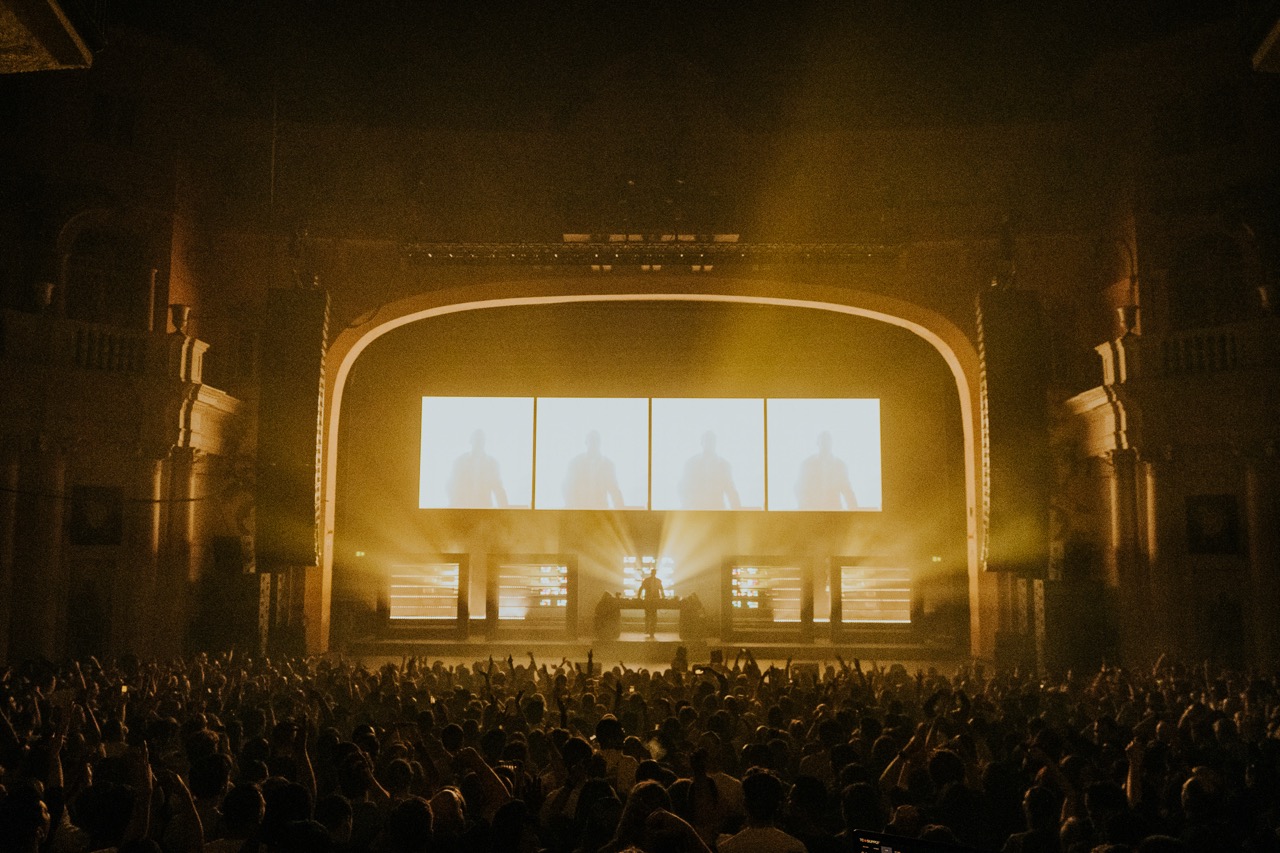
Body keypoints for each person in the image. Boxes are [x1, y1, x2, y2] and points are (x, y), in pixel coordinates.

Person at [794, 431, 858, 510]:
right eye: (823, 442)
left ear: (831, 444)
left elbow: (847, 491)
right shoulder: (807, 464)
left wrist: (854, 511)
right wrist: (806, 509)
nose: (825, 445)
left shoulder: (839, 466)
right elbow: (800, 490)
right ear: (817, 443)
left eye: (828, 442)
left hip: (833, 513)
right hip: (812, 513)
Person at [562, 430, 626, 509]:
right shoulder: (575, 463)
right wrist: (571, 510)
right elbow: (567, 488)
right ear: (586, 442)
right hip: (580, 512)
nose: (594, 443)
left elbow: (615, 491)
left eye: (596, 440)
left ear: (600, 443)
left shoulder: (608, 465)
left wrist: (621, 513)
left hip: (601, 513)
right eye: (591, 440)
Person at [678, 431, 741, 510]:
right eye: (707, 440)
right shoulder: (691, 463)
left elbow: (731, 490)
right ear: (701, 442)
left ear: (715, 443)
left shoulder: (724, 465)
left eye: (712, 441)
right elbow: (683, 487)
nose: (709, 443)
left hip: (717, 511)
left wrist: (737, 511)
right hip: (695, 511)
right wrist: (687, 507)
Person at [446, 429, 508, 507]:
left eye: (481, 439)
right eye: (476, 439)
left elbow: (499, 490)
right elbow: (451, 487)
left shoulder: (492, 464)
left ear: (484, 442)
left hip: (484, 511)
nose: (479, 442)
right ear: (470, 440)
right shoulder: (460, 462)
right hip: (464, 510)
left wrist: (506, 512)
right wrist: (454, 508)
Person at [639, 567, 665, 638]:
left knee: (652, 616)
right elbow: (641, 588)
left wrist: (663, 597)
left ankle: (651, 631)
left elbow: (661, 590)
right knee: (648, 616)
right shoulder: (649, 580)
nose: (653, 574)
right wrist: (638, 597)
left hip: (653, 601)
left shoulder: (653, 580)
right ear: (652, 573)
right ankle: (649, 630)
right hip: (649, 600)